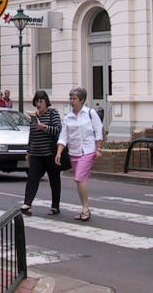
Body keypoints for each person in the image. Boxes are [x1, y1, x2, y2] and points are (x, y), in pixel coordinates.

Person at [56, 86, 103, 222]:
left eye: (74, 98)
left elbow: (98, 130)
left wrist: (98, 149)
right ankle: (84, 207)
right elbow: (63, 136)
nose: (71, 101)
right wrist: (59, 152)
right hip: (74, 152)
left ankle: (85, 209)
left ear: (81, 100)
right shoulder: (68, 117)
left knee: (79, 178)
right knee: (81, 181)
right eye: (70, 98)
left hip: (87, 151)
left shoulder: (90, 113)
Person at [21, 90, 62, 217]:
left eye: (41, 101)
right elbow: (31, 135)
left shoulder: (53, 113)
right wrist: (29, 151)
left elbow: (58, 130)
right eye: (37, 102)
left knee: (54, 180)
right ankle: (27, 204)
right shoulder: (34, 116)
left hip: (50, 153)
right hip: (36, 154)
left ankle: (55, 206)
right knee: (32, 179)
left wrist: (44, 127)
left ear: (46, 102)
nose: (39, 104)